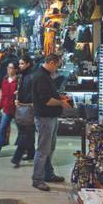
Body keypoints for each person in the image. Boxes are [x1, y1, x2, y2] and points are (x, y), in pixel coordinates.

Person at [31, 53, 71, 191]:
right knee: (43, 150)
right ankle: (37, 179)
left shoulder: (45, 75)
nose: (57, 69)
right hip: (44, 118)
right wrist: (62, 102)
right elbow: (46, 100)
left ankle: (48, 174)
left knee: (49, 148)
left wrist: (59, 97)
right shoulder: (41, 77)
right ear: (52, 63)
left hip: (50, 117)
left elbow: (49, 95)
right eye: (57, 66)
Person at [0, 61, 18, 158]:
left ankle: (26, 148)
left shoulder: (19, 80)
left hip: (17, 109)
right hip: (7, 108)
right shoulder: (5, 79)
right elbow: (3, 95)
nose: (9, 70)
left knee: (22, 130)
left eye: (11, 68)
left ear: (16, 69)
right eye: (8, 68)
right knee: (2, 129)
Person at [11, 55, 36, 167]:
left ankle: (17, 157)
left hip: (27, 108)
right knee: (28, 133)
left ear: (28, 64)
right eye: (20, 63)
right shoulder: (24, 76)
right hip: (23, 107)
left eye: (22, 63)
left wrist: (22, 100)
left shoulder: (30, 76)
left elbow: (31, 93)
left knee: (24, 134)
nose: (20, 65)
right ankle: (31, 153)